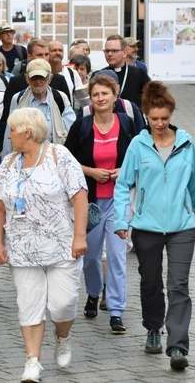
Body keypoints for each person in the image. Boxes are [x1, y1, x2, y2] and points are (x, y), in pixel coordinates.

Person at [0, 107, 88, 383]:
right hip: (22, 247)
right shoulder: (8, 163)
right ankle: (32, 361)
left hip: (61, 245)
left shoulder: (60, 156)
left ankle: (63, 335)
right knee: (28, 305)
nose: (8, 136)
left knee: (63, 304)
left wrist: (80, 236)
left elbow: (80, 197)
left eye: (12, 130)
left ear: (27, 133)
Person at [113, 81, 195, 371]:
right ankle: (153, 328)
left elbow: (194, 184)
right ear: (146, 116)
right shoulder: (138, 145)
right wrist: (121, 220)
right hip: (147, 226)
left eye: (165, 118)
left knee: (178, 284)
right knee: (150, 282)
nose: (160, 124)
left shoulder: (186, 144)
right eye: (154, 119)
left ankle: (177, 345)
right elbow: (123, 185)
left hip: (181, 226)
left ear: (171, 115)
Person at [64, 74, 138, 335]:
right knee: (92, 255)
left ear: (115, 96)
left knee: (117, 256)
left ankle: (116, 311)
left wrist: (124, 170)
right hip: (91, 202)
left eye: (105, 94)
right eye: (95, 95)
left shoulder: (128, 123)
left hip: (120, 201)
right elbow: (68, 161)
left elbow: (141, 156)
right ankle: (94, 293)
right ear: (91, 100)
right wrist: (91, 171)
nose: (100, 98)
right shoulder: (82, 127)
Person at [0, 40, 72, 141]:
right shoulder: (16, 86)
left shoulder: (59, 84)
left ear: (49, 78)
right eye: (39, 55)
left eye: (46, 54)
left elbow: (71, 127)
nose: (44, 58)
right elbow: (7, 122)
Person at [3, 59, 76, 156]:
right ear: (26, 78)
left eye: (42, 77)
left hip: (54, 158)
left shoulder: (60, 98)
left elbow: (72, 131)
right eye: (34, 77)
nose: (38, 81)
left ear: (50, 78)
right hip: (25, 158)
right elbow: (10, 131)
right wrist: (7, 159)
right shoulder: (18, 99)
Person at [94, 34, 151, 109]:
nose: (109, 54)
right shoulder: (98, 75)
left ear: (124, 53)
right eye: (107, 51)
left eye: (114, 51)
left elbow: (150, 99)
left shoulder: (139, 73)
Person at [48, 40, 86, 110]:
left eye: (60, 50)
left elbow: (83, 98)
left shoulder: (72, 73)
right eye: (54, 50)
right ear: (47, 53)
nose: (57, 53)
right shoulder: (44, 74)